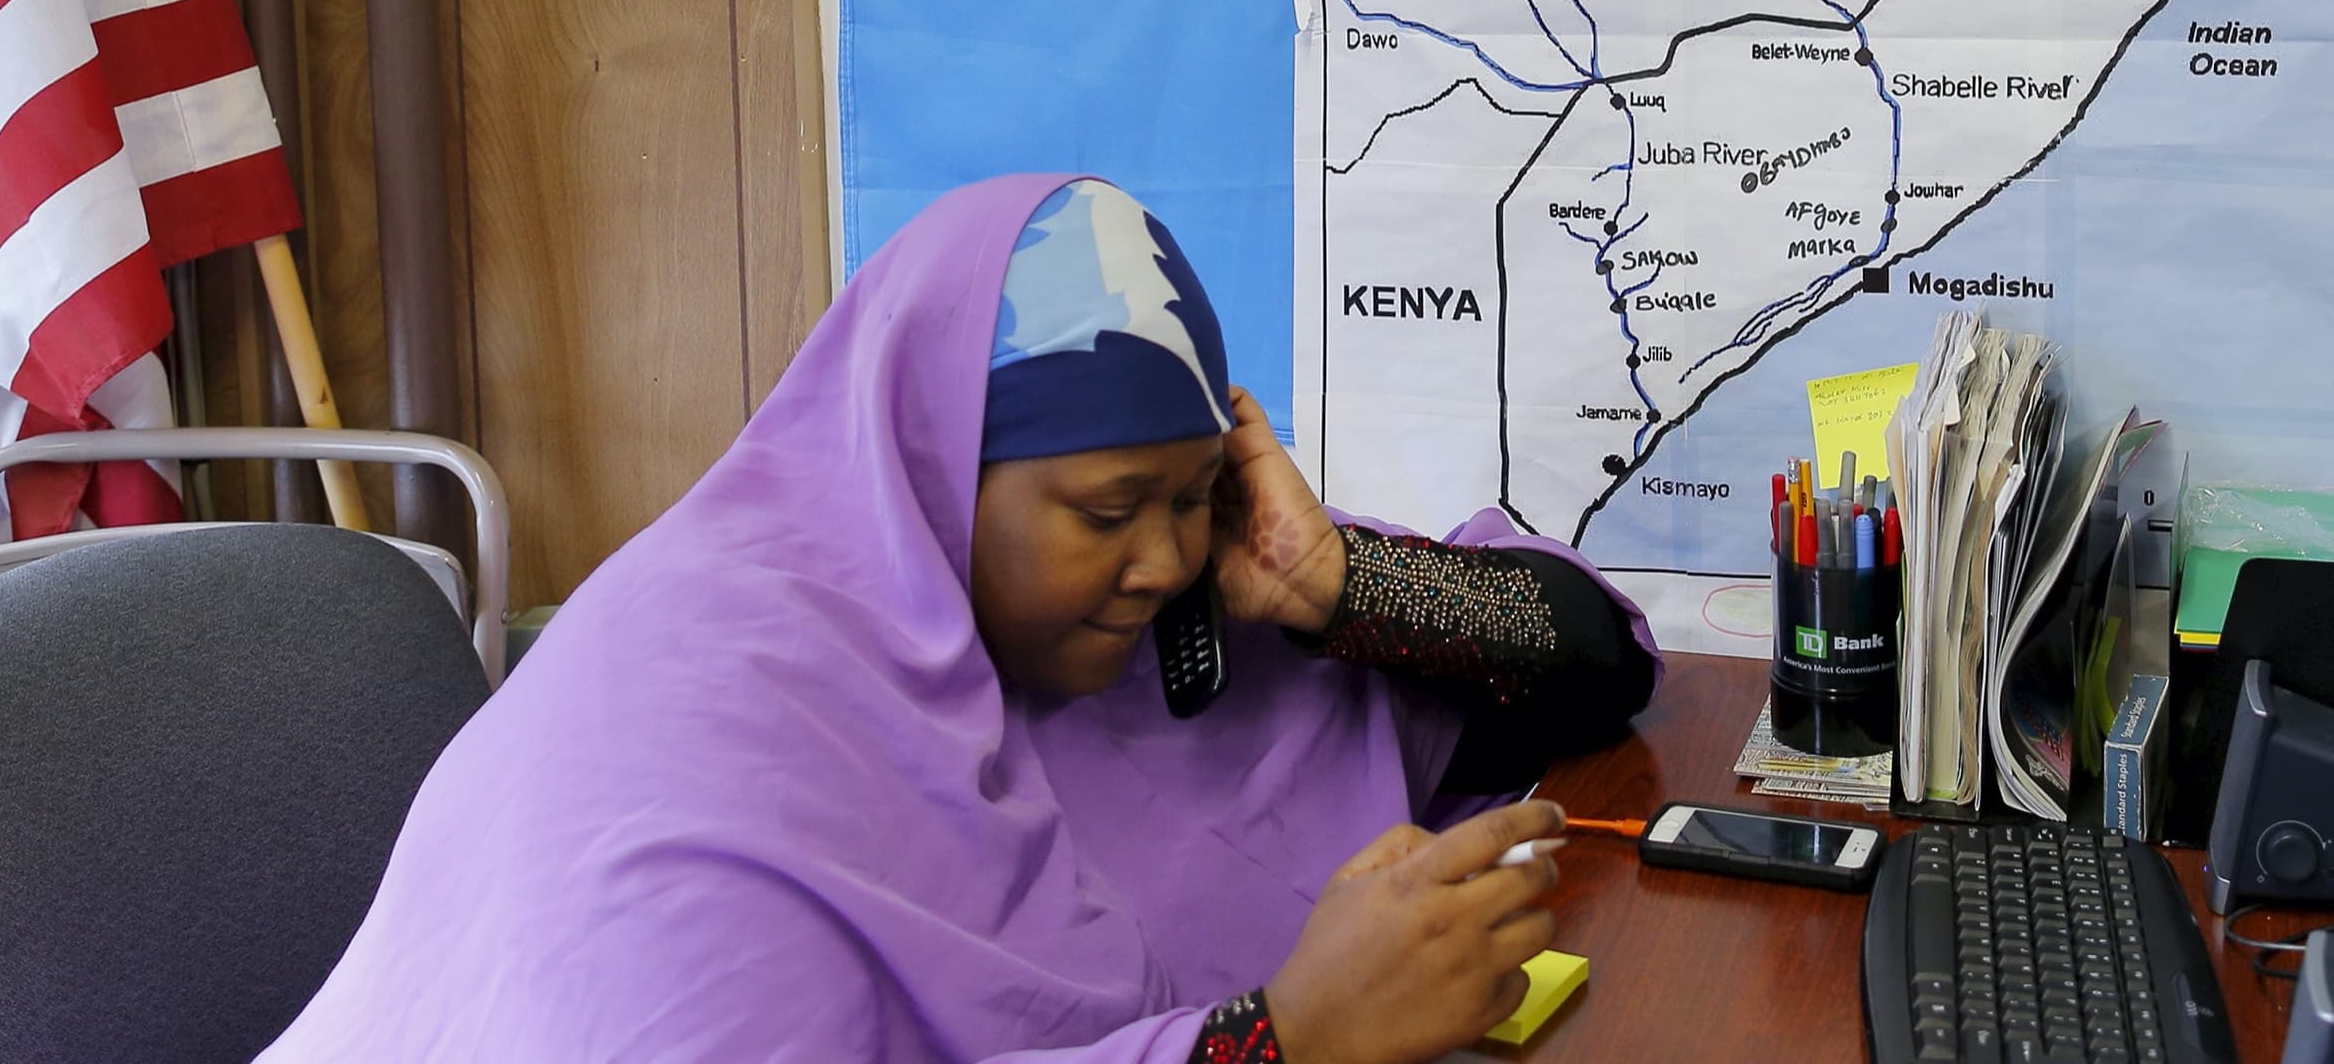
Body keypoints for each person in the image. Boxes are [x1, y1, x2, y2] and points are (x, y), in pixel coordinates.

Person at [262, 174, 1659, 1064]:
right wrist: (1280, 1040)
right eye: (1110, 511)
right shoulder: (696, 731)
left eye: (1194, 494)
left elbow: (1594, 667)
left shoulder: (1177, 627)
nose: (1167, 559)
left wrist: (1337, 585)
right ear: (928, 459)